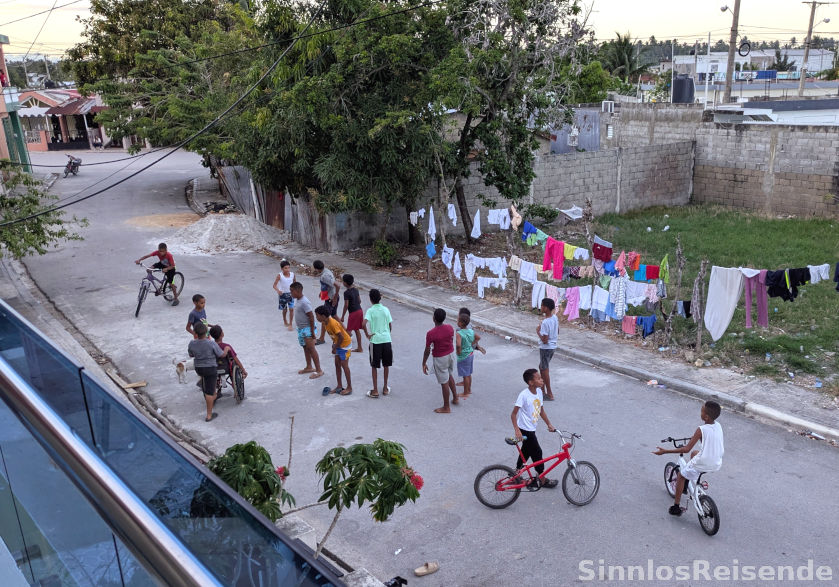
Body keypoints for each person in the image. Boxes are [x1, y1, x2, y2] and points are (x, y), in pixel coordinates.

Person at [653, 401, 724, 516]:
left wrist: (665, 451)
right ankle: (693, 479)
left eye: (701, 410)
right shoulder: (718, 425)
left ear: (705, 416)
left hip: (704, 462)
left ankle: (676, 507)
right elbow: (705, 440)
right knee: (695, 453)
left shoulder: (701, 429)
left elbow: (686, 449)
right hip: (716, 462)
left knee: (681, 476)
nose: (700, 412)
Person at [511, 369, 558, 488]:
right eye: (538, 378)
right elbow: (513, 414)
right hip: (524, 429)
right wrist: (517, 430)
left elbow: (541, 410)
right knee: (537, 452)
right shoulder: (524, 395)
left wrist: (549, 424)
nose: (541, 380)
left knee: (526, 451)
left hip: (532, 428)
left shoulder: (539, 392)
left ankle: (516, 473)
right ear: (531, 382)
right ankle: (542, 478)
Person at [188, 322, 229, 422]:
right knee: (209, 393)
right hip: (210, 368)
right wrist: (226, 350)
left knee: (207, 383)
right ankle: (209, 415)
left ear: (196, 334)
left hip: (199, 368)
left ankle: (211, 392)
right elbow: (221, 355)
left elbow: (191, 355)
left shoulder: (192, 343)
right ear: (206, 333)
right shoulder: (211, 343)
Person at [422, 308, 459, 414]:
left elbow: (427, 350)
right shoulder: (450, 327)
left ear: (434, 319)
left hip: (440, 358)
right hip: (450, 354)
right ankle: (455, 397)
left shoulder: (431, 333)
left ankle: (446, 407)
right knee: (449, 374)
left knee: (444, 382)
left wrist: (424, 362)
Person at [316, 305, 353, 395]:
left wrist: (335, 347)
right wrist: (334, 345)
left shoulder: (332, 323)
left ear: (323, 316)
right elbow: (334, 336)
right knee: (337, 364)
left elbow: (341, 336)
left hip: (345, 345)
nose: (316, 317)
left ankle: (349, 387)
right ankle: (339, 386)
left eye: (317, 315)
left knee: (344, 365)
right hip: (338, 345)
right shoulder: (325, 323)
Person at [289, 282, 323, 379]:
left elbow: (311, 317)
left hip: (307, 329)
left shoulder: (304, 302)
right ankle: (309, 366)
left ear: (297, 291)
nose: (290, 293)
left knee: (311, 349)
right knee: (305, 347)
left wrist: (312, 332)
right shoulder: (298, 300)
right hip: (301, 329)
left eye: (292, 291)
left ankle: (319, 370)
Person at [362, 289, 392, 398]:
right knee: (386, 364)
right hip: (386, 340)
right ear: (380, 297)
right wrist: (387, 334)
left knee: (374, 365)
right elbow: (390, 325)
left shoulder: (370, 311)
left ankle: (375, 390)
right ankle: (385, 388)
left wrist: (367, 335)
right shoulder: (386, 310)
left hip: (375, 341)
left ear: (370, 299)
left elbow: (363, 324)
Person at [455, 312, 485, 398]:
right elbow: (478, 337)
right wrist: (472, 343)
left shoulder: (459, 333)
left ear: (461, 323)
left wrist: (458, 351)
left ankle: (465, 393)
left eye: (458, 320)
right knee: (468, 374)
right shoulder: (471, 331)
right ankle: (469, 390)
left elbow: (458, 345)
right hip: (470, 354)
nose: (457, 322)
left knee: (465, 375)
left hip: (463, 356)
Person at [313, 260, 340, 344]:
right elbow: (328, 286)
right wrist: (321, 292)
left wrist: (334, 298)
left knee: (323, 317)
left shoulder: (324, 276)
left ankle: (321, 338)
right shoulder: (327, 271)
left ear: (316, 269)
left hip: (331, 299)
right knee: (334, 315)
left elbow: (338, 285)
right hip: (332, 297)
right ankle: (347, 332)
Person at [536, 297, 558, 401]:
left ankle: (549, 393)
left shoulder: (545, 322)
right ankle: (541, 389)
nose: (541, 307)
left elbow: (544, 340)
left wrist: (538, 332)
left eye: (542, 306)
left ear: (546, 308)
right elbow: (557, 331)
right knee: (541, 367)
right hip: (552, 347)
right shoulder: (555, 318)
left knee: (544, 369)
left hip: (546, 348)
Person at [340, 274, 364, 352]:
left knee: (348, 331)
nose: (342, 282)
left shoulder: (346, 293)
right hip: (359, 311)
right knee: (356, 330)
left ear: (345, 283)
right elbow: (359, 301)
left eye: (343, 281)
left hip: (353, 313)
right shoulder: (356, 290)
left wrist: (343, 316)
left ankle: (344, 347)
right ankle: (360, 348)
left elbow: (346, 305)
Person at [272, 260, 295, 330]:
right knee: (284, 310)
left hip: (291, 294)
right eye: (285, 268)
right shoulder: (280, 276)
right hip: (283, 295)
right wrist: (278, 291)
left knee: (291, 309)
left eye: (288, 268)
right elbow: (274, 285)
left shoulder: (292, 274)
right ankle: (285, 320)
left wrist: (295, 291)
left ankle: (290, 324)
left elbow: (295, 283)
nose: (287, 270)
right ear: (282, 269)